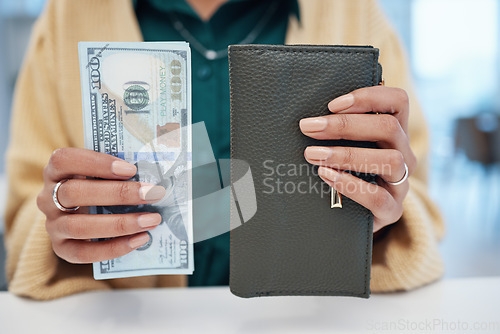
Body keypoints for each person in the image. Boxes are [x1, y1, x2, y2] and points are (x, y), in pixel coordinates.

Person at [4, 0, 444, 300]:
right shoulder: (67, 16)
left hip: (304, 320)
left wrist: (382, 213)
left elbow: (415, 196)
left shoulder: (352, 12)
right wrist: (58, 222)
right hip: (130, 319)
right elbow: (27, 208)